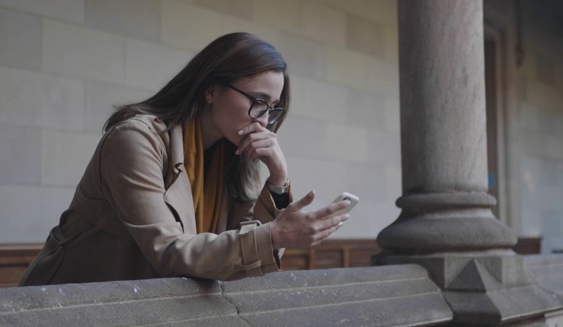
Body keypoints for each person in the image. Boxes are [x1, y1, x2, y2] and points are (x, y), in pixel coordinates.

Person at [20, 32, 350, 285]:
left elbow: (239, 257)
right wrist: (276, 235)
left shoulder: (232, 153)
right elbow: (168, 250)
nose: (263, 119)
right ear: (211, 90)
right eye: (257, 101)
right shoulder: (135, 140)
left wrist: (278, 179)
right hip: (71, 304)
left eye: (272, 108)